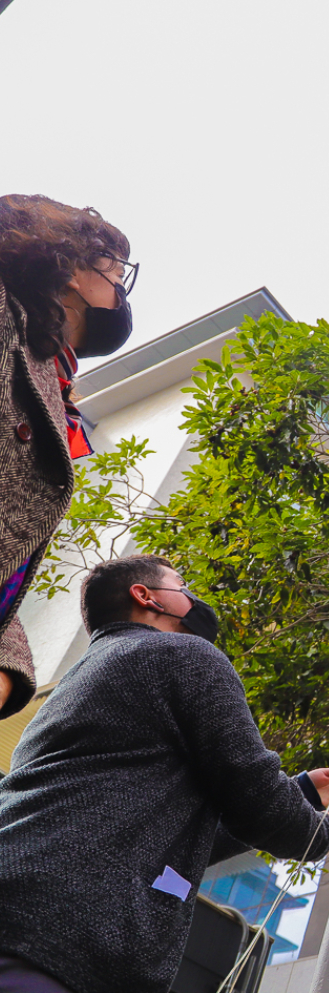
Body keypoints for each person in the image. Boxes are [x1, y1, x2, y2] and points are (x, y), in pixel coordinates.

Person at [0, 555, 329, 993]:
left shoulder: (81, 682)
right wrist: (318, 831)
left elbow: (167, 836)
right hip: (59, 937)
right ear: (146, 595)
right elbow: (251, 788)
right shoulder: (182, 654)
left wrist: (302, 792)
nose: (194, 595)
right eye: (183, 584)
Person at [1, 194, 138, 719]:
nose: (122, 291)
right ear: (75, 268)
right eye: (117, 272)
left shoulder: (50, 381)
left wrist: (11, 673)